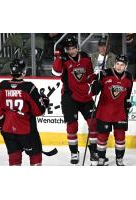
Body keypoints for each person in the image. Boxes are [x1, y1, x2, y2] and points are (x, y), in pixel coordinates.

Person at [52, 35, 98, 165]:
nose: (71, 51)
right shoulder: (64, 58)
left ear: (77, 47)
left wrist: (94, 82)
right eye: (69, 49)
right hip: (69, 97)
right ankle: (74, 152)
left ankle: (93, 151)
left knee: (93, 123)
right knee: (72, 126)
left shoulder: (85, 57)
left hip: (85, 95)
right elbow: (56, 73)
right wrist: (58, 57)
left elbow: (90, 74)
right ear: (65, 49)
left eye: (73, 48)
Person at [0, 58, 49, 166]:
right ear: (24, 72)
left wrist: (3, 126)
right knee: (36, 158)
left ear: (11, 72)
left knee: (14, 161)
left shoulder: (2, 86)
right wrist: (45, 102)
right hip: (27, 132)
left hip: (8, 131)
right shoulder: (29, 87)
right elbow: (40, 112)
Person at [91, 55, 133, 166]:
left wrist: (127, 104)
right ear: (114, 64)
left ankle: (119, 159)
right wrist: (95, 84)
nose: (119, 67)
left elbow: (128, 95)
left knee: (120, 138)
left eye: (122, 65)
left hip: (120, 113)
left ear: (126, 66)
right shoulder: (104, 74)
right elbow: (94, 93)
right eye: (118, 64)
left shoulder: (129, 77)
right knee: (102, 137)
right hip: (104, 111)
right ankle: (101, 158)